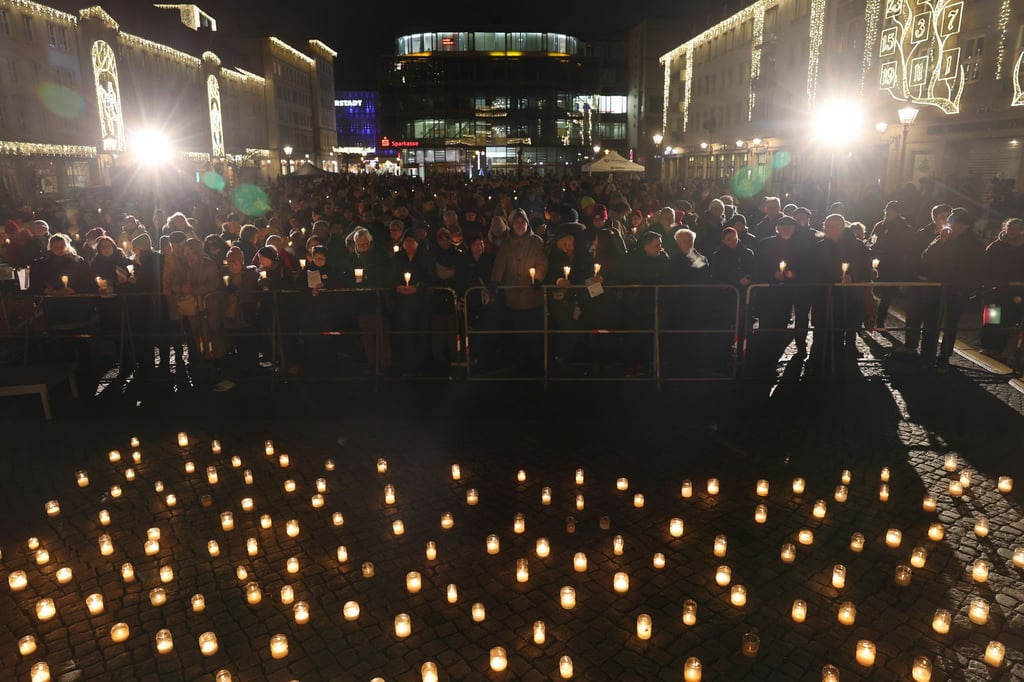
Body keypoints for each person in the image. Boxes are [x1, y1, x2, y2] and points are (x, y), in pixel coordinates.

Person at [921, 208, 985, 371]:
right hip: (937, 286)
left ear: (965, 226)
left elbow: (976, 268)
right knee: (931, 321)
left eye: (956, 224)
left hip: (957, 289)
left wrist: (967, 287)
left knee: (950, 323)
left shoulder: (974, 243)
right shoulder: (945, 237)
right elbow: (926, 257)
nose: (952, 227)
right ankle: (926, 354)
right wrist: (940, 242)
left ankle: (944, 355)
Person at [807, 214, 871, 373]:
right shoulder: (820, 246)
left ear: (842, 227)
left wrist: (853, 277)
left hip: (847, 297)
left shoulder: (857, 246)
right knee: (821, 328)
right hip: (824, 296)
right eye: (826, 226)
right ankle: (818, 358)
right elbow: (813, 269)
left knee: (842, 328)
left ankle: (840, 360)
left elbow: (866, 269)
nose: (828, 229)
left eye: (832, 226)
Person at [490, 208, 547, 371]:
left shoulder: (536, 241)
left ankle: (535, 362)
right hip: (514, 297)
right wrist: (495, 281)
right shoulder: (507, 244)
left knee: (534, 331)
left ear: (527, 224)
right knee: (517, 331)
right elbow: (500, 263)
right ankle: (519, 362)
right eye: (517, 222)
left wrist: (538, 278)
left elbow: (542, 262)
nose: (520, 225)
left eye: (523, 222)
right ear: (512, 225)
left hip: (531, 295)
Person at [903, 203, 951, 358]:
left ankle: (928, 353)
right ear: (935, 218)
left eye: (949, 216)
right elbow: (913, 258)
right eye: (943, 216)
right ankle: (910, 346)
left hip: (938, 285)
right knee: (914, 317)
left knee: (932, 321)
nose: (946, 219)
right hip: (920, 282)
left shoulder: (954, 236)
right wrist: (915, 276)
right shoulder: (922, 235)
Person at [981, 217, 1024, 356]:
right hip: (995, 290)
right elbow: (986, 267)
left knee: (1006, 320)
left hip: (1013, 291)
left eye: (1016, 229)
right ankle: (987, 345)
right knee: (991, 319)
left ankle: (998, 348)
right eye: (1010, 228)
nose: (1012, 231)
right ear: (1004, 229)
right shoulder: (995, 247)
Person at [868, 200, 914, 330]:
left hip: (893, 265)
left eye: (890, 211)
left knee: (887, 294)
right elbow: (872, 240)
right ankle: (870, 319)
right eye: (886, 211)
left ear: (897, 213)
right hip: (878, 263)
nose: (887, 213)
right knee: (872, 292)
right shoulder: (880, 225)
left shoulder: (904, 228)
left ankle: (880, 320)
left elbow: (906, 248)